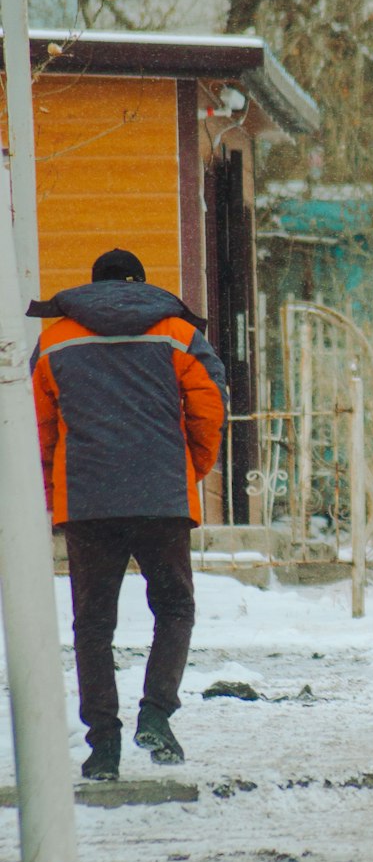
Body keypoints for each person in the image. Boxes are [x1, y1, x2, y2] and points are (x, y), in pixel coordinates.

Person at [29, 248, 227, 781]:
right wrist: (191, 468)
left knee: (93, 624)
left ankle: (103, 746)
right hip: (162, 496)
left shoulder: (54, 339)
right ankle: (157, 715)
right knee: (175, 608)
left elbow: (39, 426)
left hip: (89, 500)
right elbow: (209, 407)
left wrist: (54, 489)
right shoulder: (177, 333)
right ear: (140, 284)